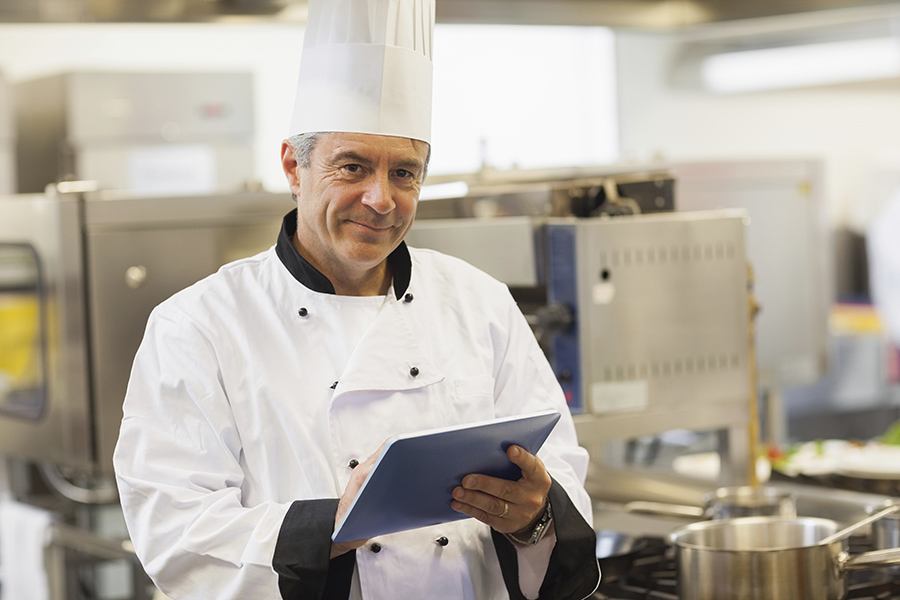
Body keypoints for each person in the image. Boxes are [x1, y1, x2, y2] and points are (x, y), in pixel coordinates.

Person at [113, 1, 600, 598]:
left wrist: (535, 515)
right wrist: (332, 526)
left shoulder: (480, 303)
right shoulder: (198, 326)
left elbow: (563, 472)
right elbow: (173, 526)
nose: (381, 198)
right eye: (353, 166)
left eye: (405, 173)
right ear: (295, 166)